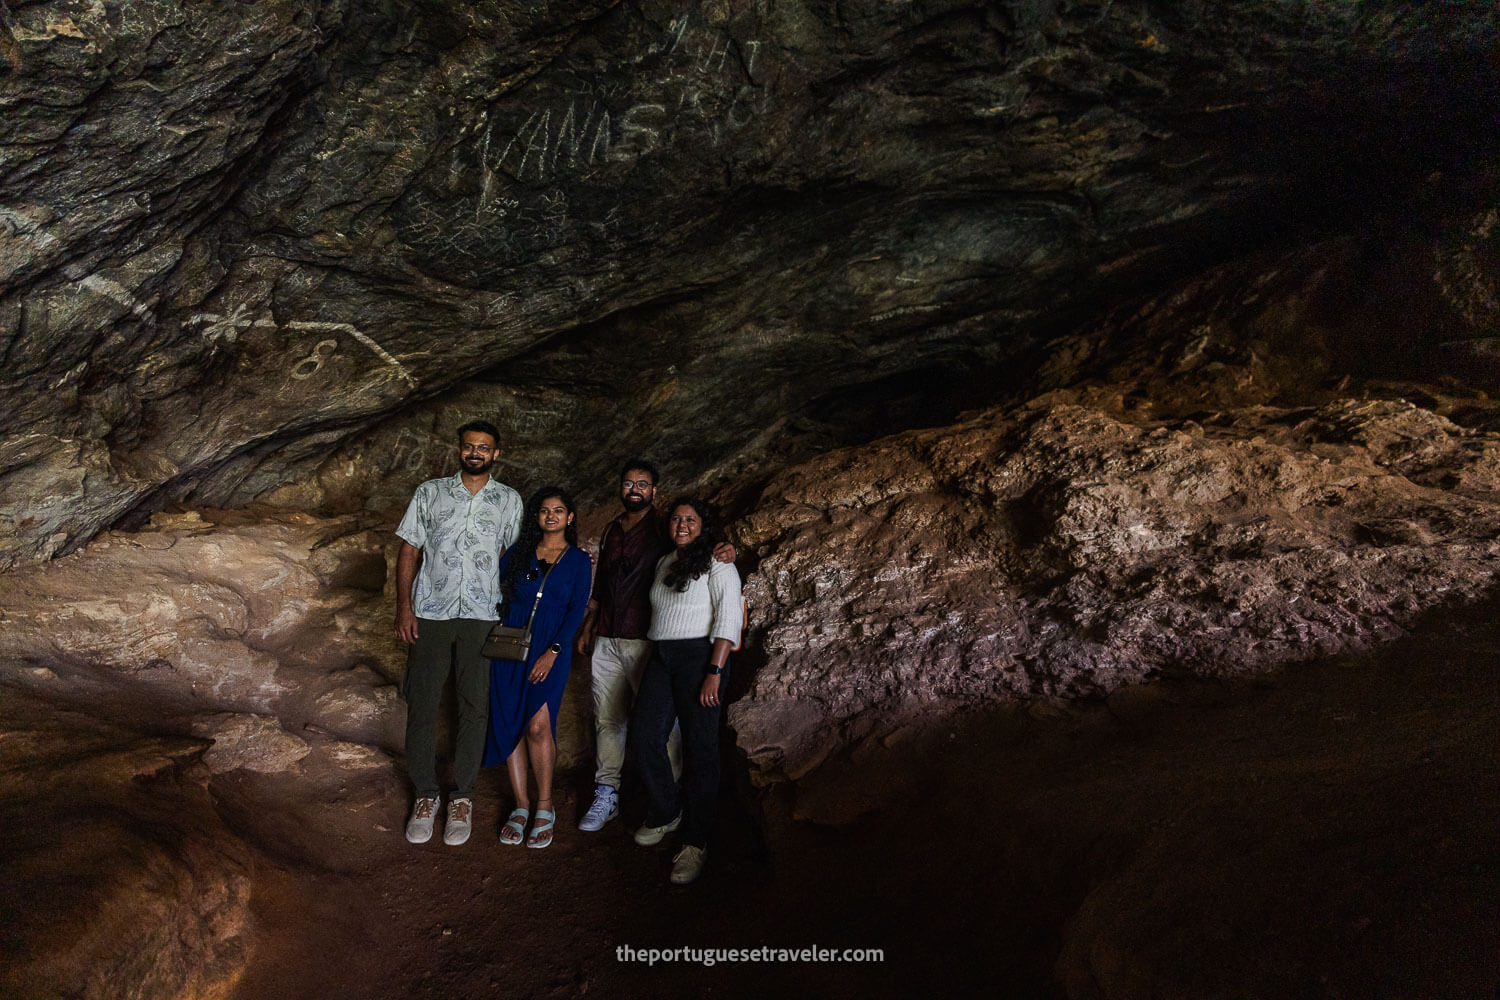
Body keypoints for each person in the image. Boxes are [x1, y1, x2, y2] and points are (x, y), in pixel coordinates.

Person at [574, 460, 733, 833]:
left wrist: (728, 548)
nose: (634, 490)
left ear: (654, 491)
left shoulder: (666, 529)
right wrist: (589, 623)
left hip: (647, 642)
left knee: (665, 727)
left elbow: (701, 545)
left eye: (642, 485)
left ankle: (670, 797)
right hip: (607, 636)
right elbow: (604, 583)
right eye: (628, 483)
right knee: (608, 718)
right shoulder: (614, 529)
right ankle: (608, 791)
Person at [394, 420, 524, 847]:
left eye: (483, 448)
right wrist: (405, 607)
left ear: (495, 454)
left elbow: (508, 554)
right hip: (431, 611)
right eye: (469, 447)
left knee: (475, 705)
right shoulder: (429, 492)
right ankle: (426, 795)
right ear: (459, 449)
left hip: (482, 615)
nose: (475, 453)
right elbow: (409, 548)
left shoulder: (508, 500)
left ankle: (462, 797)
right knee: (424, 702)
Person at [627, 497, 743, 885]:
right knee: (644, 736)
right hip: (662, 656)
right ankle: (666, 810)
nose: (681, 524)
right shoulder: (664, 562)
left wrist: (714, 670)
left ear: (703, 524)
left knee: (701, 750)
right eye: (676, 518)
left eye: (690, 519)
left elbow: (728, 616)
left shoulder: (719, 562)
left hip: (701, 659)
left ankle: (696, 840)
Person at [484, 487, 593, 849]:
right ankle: (521, 805)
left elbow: (576, 610)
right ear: (537, 517)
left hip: (549, 647)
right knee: (510, 722)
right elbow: (490, 586)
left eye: (558, 510)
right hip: (511, 645)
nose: (551, 516)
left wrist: (554, 651)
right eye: (545, 510)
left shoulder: (579, 560)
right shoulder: (519, 553)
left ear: (570, 517)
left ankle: (544, 807)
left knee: (537, 724)